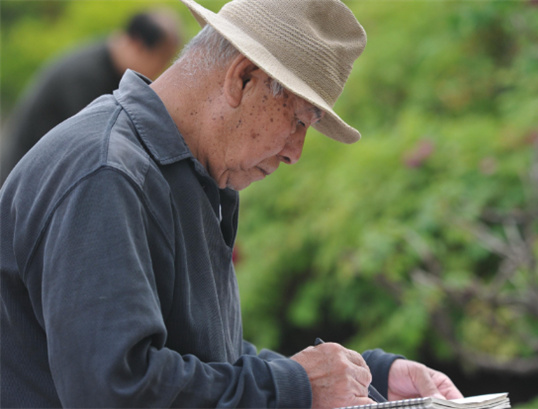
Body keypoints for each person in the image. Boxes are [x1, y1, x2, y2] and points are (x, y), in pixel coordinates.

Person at [0, 0, 463, 407]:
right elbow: (117, 391)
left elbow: (205, 363)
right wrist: (297, 387)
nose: (295, 152)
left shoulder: (186, 176)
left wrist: (366, 378)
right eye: (300, 120)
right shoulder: (106, 173)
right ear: (242, 78)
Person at [0, 8, 182, 183]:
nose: (161, 71)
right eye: (162, 59)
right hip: (24, 180)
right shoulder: (85, 76)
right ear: (137, 44)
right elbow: (94, 147)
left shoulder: (112, 70)